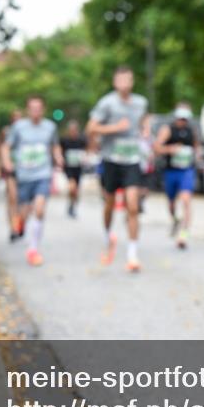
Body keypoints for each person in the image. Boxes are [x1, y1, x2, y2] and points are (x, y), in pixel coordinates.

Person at [86, 66, 148, 272]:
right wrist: (114, 128)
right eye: (120, 80)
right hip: (111, 159)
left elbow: (144, 120)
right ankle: (107, 236)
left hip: (132, 159)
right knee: (109, 204)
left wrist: (146, 129)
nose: (124, 83)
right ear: (115, 82)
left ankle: (132, 255)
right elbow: (91, 128)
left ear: (132, 82)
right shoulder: (107, 103)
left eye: (128, 79)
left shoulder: (140, 102)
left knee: (132, 205)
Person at [1, 96, 63, 266]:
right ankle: (19, 224)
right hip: (24, 175)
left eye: (38, 108)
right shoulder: (19, 127)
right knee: (24, 211)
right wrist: (7, 162)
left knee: (40, 209)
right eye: (32, 108)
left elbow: (55, 145)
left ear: (43, 109)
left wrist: (58, 156)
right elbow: (6, 146)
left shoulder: (50, 127)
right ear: (28, 110)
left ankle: (33, 249)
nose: (35, 111)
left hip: (43, 174)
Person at [153, 103, 200, 249]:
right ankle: (174, 219)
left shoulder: (191, 131)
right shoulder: (167, 130)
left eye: (185, 119)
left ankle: (183, 235)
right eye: (180, 118)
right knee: (172, 204)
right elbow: (156, 147)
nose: (183, 122)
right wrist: (170, 149)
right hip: (171, 171)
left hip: (186, 171)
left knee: (186, 200)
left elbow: (196, 146)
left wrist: (196, 156)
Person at [0, 108, 24, 241]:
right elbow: (1, 149)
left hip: (26, 170)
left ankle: (20, 223)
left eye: (20, 118)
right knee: (12, 198)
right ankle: (13, 228)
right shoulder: (7, 132)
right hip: (11, 170)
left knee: (24, 200)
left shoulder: (29, 132)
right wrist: (2, 166)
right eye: (15, 118)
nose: (17, 121)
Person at [60, 120, 87, 218]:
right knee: (72, 187)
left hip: (78, 168)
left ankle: (72, 205)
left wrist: (85, 157)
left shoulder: (81, 140)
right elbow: (59, 150)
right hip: (68, 168)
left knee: (76, 190)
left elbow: (87, 150)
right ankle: (71, 203)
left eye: (74, 130)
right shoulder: (64, 140)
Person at [136, 113, 155, 214]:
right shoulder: (137, 135)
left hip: (148, 166)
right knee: (136, 189)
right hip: (137, 165)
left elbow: (154, 148)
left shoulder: (152, 136)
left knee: (146, 190)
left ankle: (139, 202)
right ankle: (134, 206)